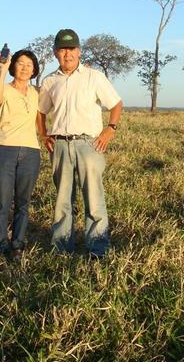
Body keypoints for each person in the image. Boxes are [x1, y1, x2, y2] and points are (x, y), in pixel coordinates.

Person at [37, 29, 123, 259]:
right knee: (62, 199)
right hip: (60, 145)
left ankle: (97, 248)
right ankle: (62, 247)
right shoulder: (49, 81)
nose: (68, 54)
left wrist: (110, 129)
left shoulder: (93, 77)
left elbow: (116, 104)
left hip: (89, 144)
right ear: (55, 53)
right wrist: (44, 135)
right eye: (63, 49)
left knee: (94, 198)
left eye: (72, 49)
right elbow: (40, 111)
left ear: (79, 51)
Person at [0, 49, 41, 261]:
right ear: (13, 66)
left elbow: (41, 119)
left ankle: (18, 245)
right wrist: (2, 71)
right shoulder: (6, 89)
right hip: (5, 148)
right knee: (1, 200)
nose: (25, 67)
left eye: (29, 64)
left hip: (31, 151)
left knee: (23, 202)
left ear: (34, 69)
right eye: (20, 63)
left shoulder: (37, 93)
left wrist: (45, 138)